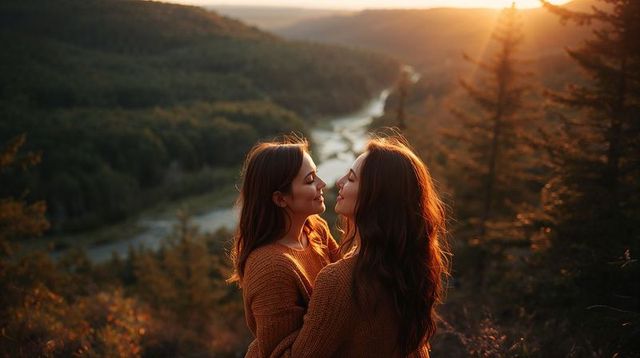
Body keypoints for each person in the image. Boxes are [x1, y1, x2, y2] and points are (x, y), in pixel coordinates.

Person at [272, 136, 449, 357]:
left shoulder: (340, 281)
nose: (339, 182)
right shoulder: (407, 267)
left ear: (375, 197)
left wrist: (261, 343)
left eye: (352, 178)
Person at [228, 137, 341, 358]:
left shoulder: (315, 229)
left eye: (316, 174)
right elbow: (280, 353)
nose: (322, 183)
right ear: (280, 199)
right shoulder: (270, 267)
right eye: (310, 180)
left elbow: (346, 279)